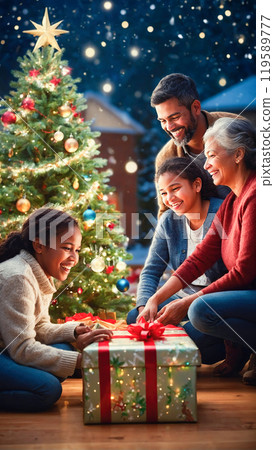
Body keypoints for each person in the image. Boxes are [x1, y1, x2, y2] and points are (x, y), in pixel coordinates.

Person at [137, 118, 256, 382]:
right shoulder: (233, 201)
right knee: (147, 312)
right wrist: (155, 299)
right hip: (234, 299)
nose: (206, 164)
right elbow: (199, 258)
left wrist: (187, 302)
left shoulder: (255, 197)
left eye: (212, 155)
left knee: (199, 311)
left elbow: (243, 274)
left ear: (238, 154)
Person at [0, 207, 113, 412]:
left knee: (66, 349)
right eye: (67, 247)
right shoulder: (19, 277)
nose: (74, 258)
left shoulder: (41, 272)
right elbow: (22, 349)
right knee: (48, 389)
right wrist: (83, 361)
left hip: (9, 348)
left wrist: (73, 331)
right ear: (39, 245)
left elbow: (39, 326)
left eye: (76, 250)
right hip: (7, 350)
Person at [127, 157, 227, 324]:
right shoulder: (168, 220)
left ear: (197, 185)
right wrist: (144, 306)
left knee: (193, 333)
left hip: (214, 297)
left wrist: (185, 304)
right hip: (183, 293)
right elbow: (151, 270)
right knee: (134, 318)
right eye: (164, 193)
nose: (169, 198)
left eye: (175, 188)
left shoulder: (222, 212)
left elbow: (234, 276)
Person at [151, 73, 238, 216]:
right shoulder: (166, 158)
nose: (169, 126)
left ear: (196, 107)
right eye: (163, 121)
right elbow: (166, 214)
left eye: (175, 117)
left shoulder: (235, 127)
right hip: (200, 235)